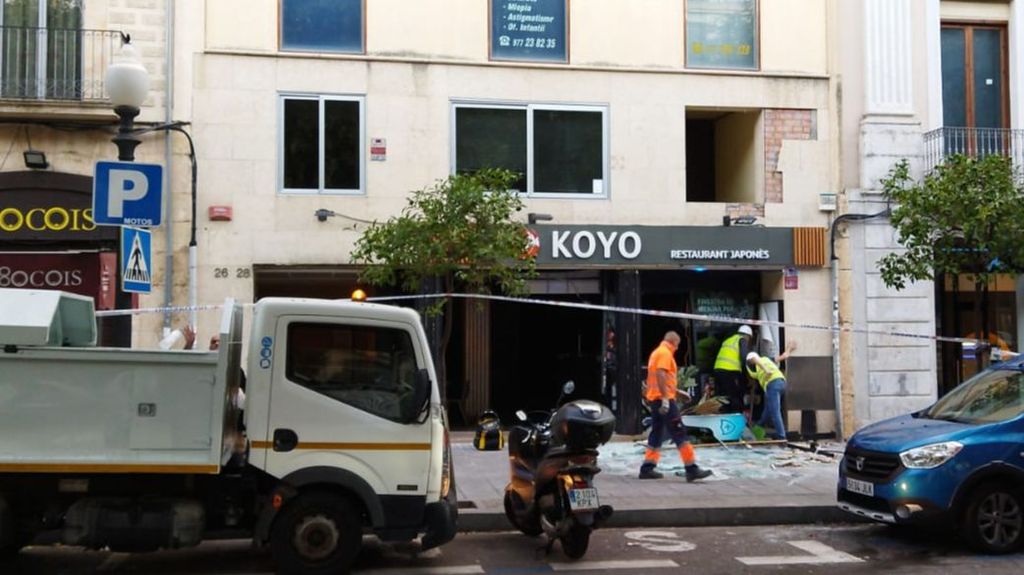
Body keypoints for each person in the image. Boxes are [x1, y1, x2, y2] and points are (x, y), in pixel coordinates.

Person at [638, 331, 713, 482]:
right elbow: (660, 374)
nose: (677, 349)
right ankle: (691, 468)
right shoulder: (665, 353)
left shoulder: (656, 353)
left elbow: (661, 378)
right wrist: (667, 398)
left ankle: (647, 468)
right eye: (677, 346)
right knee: (679, 432)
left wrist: (677, 392)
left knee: (657, 433)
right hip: (663, 401)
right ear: (673, 342)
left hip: (656, 400)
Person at [746, 351, 789, 441]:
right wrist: (790, 348)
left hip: (773, 384)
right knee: (767, 412)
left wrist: (766, 370)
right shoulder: (767, 361)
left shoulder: (760, 360)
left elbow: (756, 360)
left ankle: (782, 437)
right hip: (781, 383)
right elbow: (784, 356)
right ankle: (757, 428)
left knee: (774, 412)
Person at [713, 325, 754, 414]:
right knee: (734, 395)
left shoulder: (728, 340)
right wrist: (749, 374)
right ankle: (736, 417)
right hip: (730, 371)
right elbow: (744, 358)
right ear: (748, 336)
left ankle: (723, 416)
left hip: (718, 370)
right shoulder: (742, 340)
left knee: (722, 396)